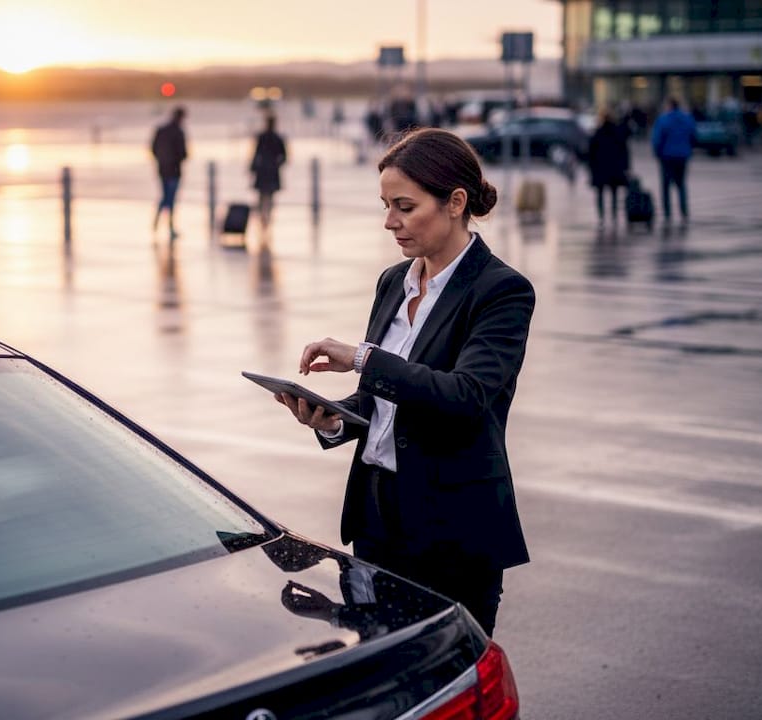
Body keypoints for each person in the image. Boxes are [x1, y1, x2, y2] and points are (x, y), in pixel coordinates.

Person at [274, 128, 535, 637]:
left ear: (455, 202)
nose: (389, 221)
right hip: (375, 518)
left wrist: (363, 359)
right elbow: (386, 400)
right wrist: (334, 418)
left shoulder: (501, 291)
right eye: (385, 205)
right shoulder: (393, 281)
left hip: (452, 531)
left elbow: (466, 396)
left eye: (405, 206)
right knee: (380, 666)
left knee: (446, 683)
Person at [650, 97, 697, 223]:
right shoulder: (687, 118)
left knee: (665, 186)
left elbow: (657, 139)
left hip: (667, 156)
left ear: (669, 105)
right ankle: (684, 211)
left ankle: (667, 213)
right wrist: (688, 149)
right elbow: (693, 136)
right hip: (682, 155)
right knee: (681, 184)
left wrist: (657, 153)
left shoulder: (663, 119)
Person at [588, 108, 632, 225]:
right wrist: (626, 167)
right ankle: (614, 216)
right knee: (614, 193)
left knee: (600, 194)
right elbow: (624, 152)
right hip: (615, 169)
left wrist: (591, 169)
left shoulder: (597, 133)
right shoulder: (617, 133)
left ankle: (601, 217)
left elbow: (591, 153)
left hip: (600, 168)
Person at [151, 106, 188, 238]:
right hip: (174, 170)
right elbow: (184, 153)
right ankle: (169, 226)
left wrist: (161, 161)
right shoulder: (178, 132)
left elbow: (153, 149)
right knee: (170, 198)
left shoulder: (161, 130)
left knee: (165, 196)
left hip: (163, 169)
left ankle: (157, 222)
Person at [250, 114, 289, 228]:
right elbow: (284, 157)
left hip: (266, 171)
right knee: (266, 196)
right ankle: (264, 217)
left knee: (265, 196)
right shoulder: (272, 138)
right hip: (268, 171)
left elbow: (256, 154)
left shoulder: (267, 138)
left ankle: (265, 217)